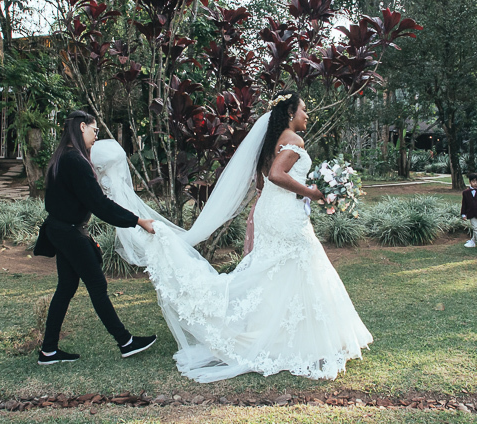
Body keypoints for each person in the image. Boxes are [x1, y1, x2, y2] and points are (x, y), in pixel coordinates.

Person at [90, 92, 373, 383]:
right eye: (304, 110)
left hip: (272, 212)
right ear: (290, 113)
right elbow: (276, 175)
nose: (307, 115)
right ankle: (298, 340)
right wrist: (313, 192)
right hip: (285, 216)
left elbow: (264, 180)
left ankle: (276, 336)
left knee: (276, 271)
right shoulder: (294, 140)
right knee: (300, 265)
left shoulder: (272, 141)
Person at [32, 110, 158, 364]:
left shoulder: (62, 158)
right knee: (97, 285)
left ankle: (49, 350)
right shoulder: (75, 161)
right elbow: (99, 204)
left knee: (66, 287)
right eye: (94, 130)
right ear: (81, 127)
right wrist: (137, 221)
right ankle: (125, 341)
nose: (95, 136)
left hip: (61, 230)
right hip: (68, 232)